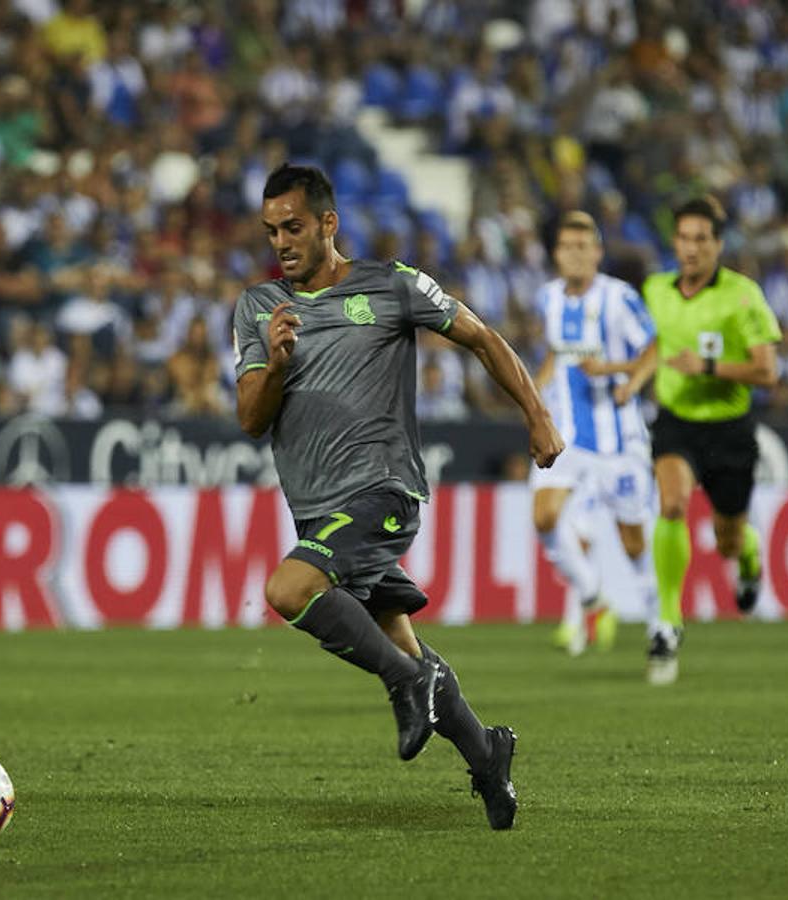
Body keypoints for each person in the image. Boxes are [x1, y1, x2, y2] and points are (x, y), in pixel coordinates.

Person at [233, 163, 563, 830]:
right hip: (318, 507)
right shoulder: (258, 308)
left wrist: (536, 413)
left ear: (329, 223)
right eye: (271, 232)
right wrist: (277, 364)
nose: (282, 243)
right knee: (400, 641)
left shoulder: (393, 284)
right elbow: (250, 418)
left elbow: (483, 338)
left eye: (293, 227)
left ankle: (405, 685)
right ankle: (486, 754)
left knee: (289, 590)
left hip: (383, 489)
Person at [625, 196, 781, 685]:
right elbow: (655, 346)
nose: (690, 249)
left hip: (729, 429)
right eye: (683, 238)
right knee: (671, 503)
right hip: (677, 422)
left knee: (727, 539)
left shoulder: (742, 295)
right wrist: (631, 381)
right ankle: (667, 622)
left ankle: (750, 558)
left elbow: (768, 371)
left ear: (718, 244)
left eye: (701, 240)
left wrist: (709, 367)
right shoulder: (656, 289)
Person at [530, 211, 658, 657]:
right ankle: (592, 596)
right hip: (567, 433)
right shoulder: (547, 297)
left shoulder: (619, 298)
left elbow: (655, 346)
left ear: (598, 253)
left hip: (617, 439)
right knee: (544, 516)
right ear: (556, 254)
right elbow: (556, 353)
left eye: (584, 247)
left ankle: (660, 627)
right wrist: (534, 395)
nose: (576, 255)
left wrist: (626, 377)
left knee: (633, 541)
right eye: (567, 247)